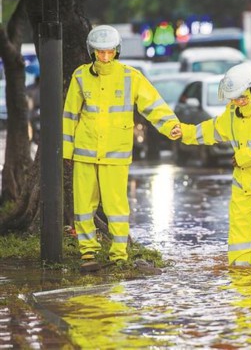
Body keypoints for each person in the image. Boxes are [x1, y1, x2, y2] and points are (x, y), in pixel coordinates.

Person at [62, 25, 182, 270]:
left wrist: (170, 124)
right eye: (100, 52)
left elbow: (153, 103)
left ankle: (118, 253)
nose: (105, 56)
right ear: (91, 52)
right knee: (84, 205)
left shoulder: (130, 76)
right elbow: (69, 115)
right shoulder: (80, 76)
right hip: (84, 152)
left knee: (116, 206)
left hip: (115, 154)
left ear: (117, 51)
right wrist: (67, 151)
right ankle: (88, 253)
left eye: (109, 52)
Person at [180, 62, 251, 267]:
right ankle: (241, 280)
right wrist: (184, 133)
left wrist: (241, 158)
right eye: (235, 98)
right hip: (242, 184)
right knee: (239, 235)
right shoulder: (231, 113)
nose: (239, 102)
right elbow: (212, 129)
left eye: (242, 97)